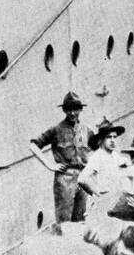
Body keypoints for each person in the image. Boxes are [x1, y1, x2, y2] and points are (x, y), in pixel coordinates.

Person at [29, 91, 93, 223]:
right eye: (69, 109)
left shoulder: (86, 130)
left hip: (83, 179)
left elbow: (99, 149)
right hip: (65, 179)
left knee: (81, 220)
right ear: (64, 110)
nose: (72, 113)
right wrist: (49, 165)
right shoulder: (56, 130)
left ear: (81, 109)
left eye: (75, 109)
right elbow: (33, 146)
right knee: (64, 222)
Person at [76, 119, 128, 200]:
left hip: (114, 197)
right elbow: (82, 179)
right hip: (104, 200)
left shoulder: (114, 155)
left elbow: (124, 163)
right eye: (109, 137)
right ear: (102, 139)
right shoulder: (98, 156)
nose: (112, 140)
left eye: (114, 137)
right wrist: (96, 194)